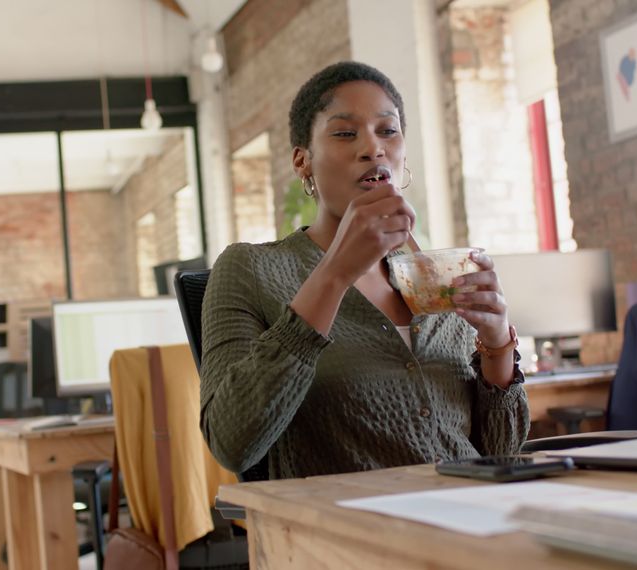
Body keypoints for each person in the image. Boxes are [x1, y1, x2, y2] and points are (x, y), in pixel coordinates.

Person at [199, 61, 530, 480]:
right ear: (303, 161)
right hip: (349, 532)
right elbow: (231, 444)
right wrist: (335, 272)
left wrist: (497, 343)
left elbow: (501, 452)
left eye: (387, 131)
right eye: (344, 133)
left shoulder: (435, 278)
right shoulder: (251, 269)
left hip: (470, 517)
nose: (373, 148)